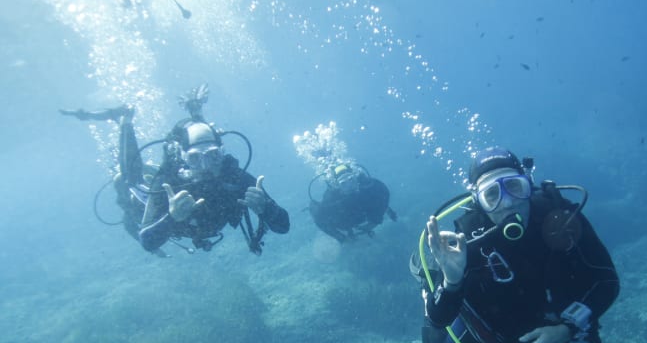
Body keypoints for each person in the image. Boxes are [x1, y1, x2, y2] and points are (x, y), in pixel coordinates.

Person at [412, 146, 621, 343]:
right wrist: (452, 280)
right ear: (478, 201)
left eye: (514, 187)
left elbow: (607, 280)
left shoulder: (561, 220)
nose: (508, 203)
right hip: (494, 312)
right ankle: (428, 278)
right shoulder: (468, 242)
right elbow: (439, 319)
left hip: (550, 308)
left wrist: (567, 329)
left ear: (528, 185)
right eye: (492, 195)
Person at [61, 84, 289, 255]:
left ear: (222, 151)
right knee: (129, 180)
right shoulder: (169, 182)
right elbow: (148, 242)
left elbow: (283, 226)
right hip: (145, 203)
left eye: (213, 156)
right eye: (195, 159)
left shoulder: (235, 177)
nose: (207, 166)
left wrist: (266, 208)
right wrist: (171, 218)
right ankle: (125, 121)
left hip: (194, 224)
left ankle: (195, 112)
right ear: (182, 157)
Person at [309, 162, 397, 243]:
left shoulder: (367, 184)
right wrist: (341, 237)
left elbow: (383, 193)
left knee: (374, 198)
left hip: (367, 211)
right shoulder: (331, 197)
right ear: (337, 186)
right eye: (344, 183)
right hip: (348, 220)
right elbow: (319, 218)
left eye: (351, 179)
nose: (349, 186)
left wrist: (376, 220)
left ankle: (386, 211)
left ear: (356, 177)